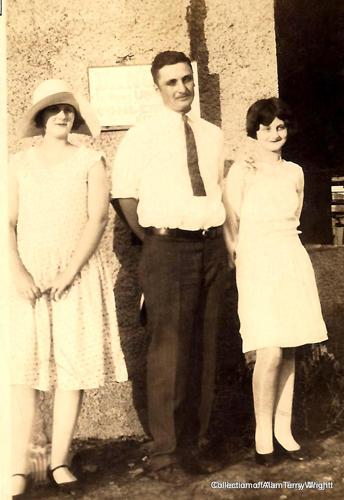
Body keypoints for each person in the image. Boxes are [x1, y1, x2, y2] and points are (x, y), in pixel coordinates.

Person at [111, 51, 228, 483]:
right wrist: (157, 243)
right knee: (169, 355)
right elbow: (125, 196)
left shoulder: (212, 134)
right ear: (157, 88)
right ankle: (165, 456)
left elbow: (216, 191)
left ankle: (193, 448)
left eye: (186, 80)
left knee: (205, 349)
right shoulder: (142, 136)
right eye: (171, 83)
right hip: (167, 251)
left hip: (211, 249)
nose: (181, 89)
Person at [9, 79, 128, 498]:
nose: (63, 115)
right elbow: (6, 222)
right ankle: (28, 464)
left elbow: (97, 220)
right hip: (27, 275)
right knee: (25, 371)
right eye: (54, 109)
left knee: (71, 369)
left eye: (69, 110)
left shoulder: (90, 160)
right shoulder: (17, 163)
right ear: (40, 117)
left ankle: (59, 461)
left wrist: (69, 272)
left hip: (74, 276)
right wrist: (19, 273)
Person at [223, 97, 328, 467]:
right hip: (256, 262)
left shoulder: (295, 172)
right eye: (266, 127)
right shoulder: (242, 171)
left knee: (290, 346)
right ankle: (262, 436)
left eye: (280, 126)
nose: (273, 133)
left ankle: (284, 432)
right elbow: (230, 224)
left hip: (290, 259)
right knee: (268, 350)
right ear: (255, 131)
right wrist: (240, 264)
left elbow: (293, 217)